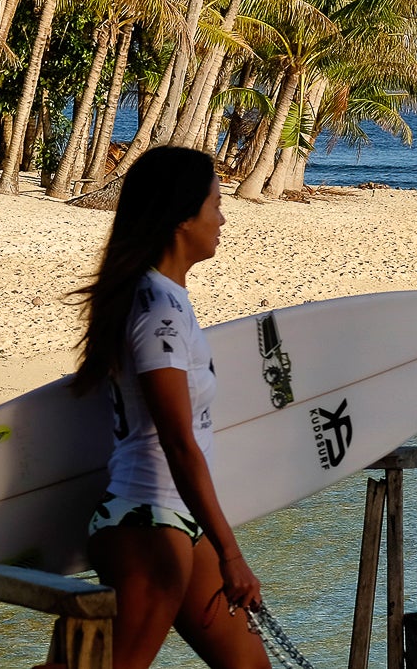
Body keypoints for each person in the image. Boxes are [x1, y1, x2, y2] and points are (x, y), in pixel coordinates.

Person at [71, 145, 269, 669]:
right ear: (183, 217)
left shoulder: (163, 298)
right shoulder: (156, 308)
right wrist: (232, 553)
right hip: (146, 524)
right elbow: (178, 443)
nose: (222, 218)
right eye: (215, 203)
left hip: (173, 521)